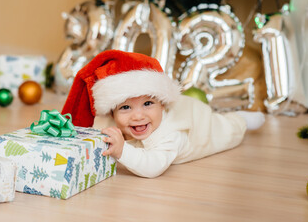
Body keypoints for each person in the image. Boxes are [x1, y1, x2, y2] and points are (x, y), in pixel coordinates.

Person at [62, 50, 265, 178]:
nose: (137, 116)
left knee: (227, 128)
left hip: (202, 127)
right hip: (182, 107)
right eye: (125, 107)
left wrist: (122, 150)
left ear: (162, 104)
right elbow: (94, 129)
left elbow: (153, 167)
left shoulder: (170, 134)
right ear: (112, 110)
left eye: (147, 103)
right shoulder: (114, 119)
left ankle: (242, 118)